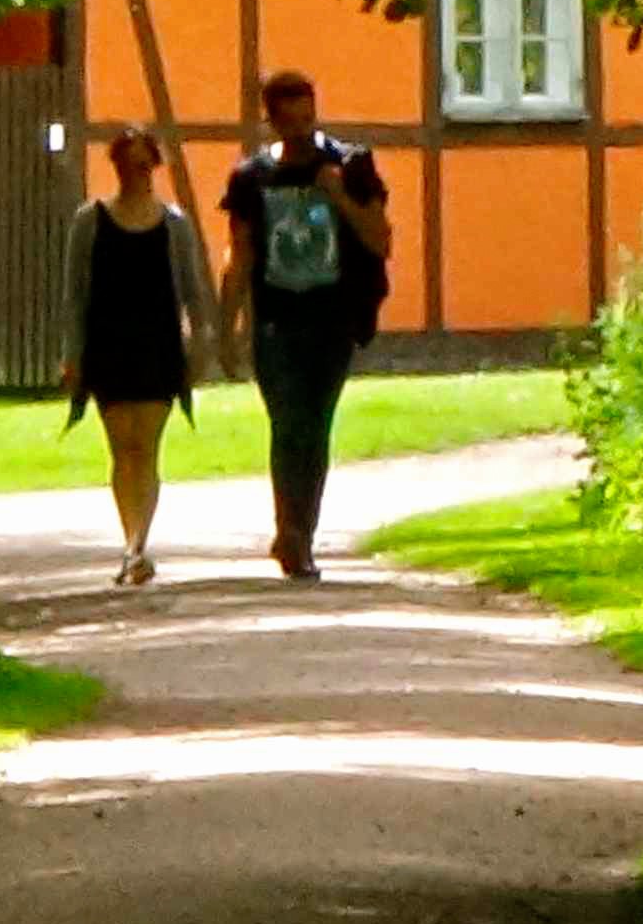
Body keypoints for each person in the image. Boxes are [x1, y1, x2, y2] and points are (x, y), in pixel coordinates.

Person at [218, 68, 392, 580]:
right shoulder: (251, 178)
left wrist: (340, 196)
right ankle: (289, 530)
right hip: (276, 320)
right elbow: (240, 254)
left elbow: (380, 239)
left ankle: (301, 535)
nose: (300, 129)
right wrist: (225, 328)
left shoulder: (352, 166)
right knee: (287, 423)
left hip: (333, 318)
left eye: (307, 117)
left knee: (315, 426)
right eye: (289, 120)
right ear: (271, 120)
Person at [58, 125, 223, 586]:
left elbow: (193, 291)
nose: (138, 174)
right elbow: (74, 296)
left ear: (154, 166)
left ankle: (137, 546)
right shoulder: (90, 221)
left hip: (158, 347)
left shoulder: (174, 224)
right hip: (107, 347)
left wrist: (201, 343)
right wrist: (72, 355)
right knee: (121, 448)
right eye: (130, 165)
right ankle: (131, 541)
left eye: (145, 165)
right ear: (117, 167)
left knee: (146, 448)